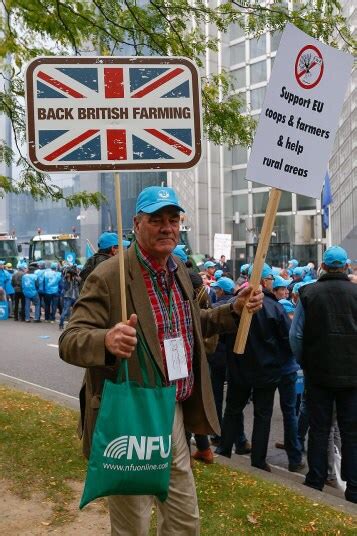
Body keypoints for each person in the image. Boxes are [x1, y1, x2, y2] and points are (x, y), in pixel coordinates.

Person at [59, 186, 263, 535]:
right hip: (133, 414)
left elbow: (192, 325)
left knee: (185, 521)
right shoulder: (110, 275)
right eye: (156, 220)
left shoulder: (179, 269)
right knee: (133, 524)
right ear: (136, 224)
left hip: (173, 411)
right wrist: (106, 340)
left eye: (173, 219)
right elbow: (70, 340)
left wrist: (234, 310)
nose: (167, 227)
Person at [290, 245, 357, 504]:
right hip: (351, 374)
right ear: (345, 266)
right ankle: (353, 487)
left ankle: (315, 479)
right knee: (351, 431)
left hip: (318, 373)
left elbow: (295, 335)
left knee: (319, 428)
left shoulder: (308, 293)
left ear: (324, 267)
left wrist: (304, 362)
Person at [218, 263, 292, 472]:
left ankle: (224, 450)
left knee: (233, 410)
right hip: (266, 371)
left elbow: (223, 336)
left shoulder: (236, 304)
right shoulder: (274, 307)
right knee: (262, 415)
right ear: (265, 280)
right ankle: (258, 460)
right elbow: (286, 339)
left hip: (240, 368)